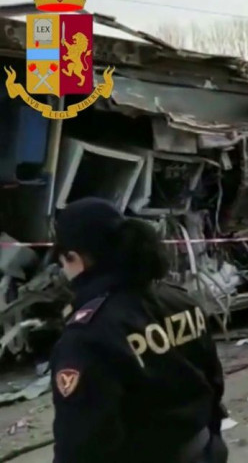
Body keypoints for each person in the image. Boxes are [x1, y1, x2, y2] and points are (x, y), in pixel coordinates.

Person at [50, 197, 228, 463]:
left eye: (63, 261)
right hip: (204, 451)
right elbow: (213, 383)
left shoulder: (87, 335)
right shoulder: (180, 301)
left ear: (75, 257)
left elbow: (82, 443)